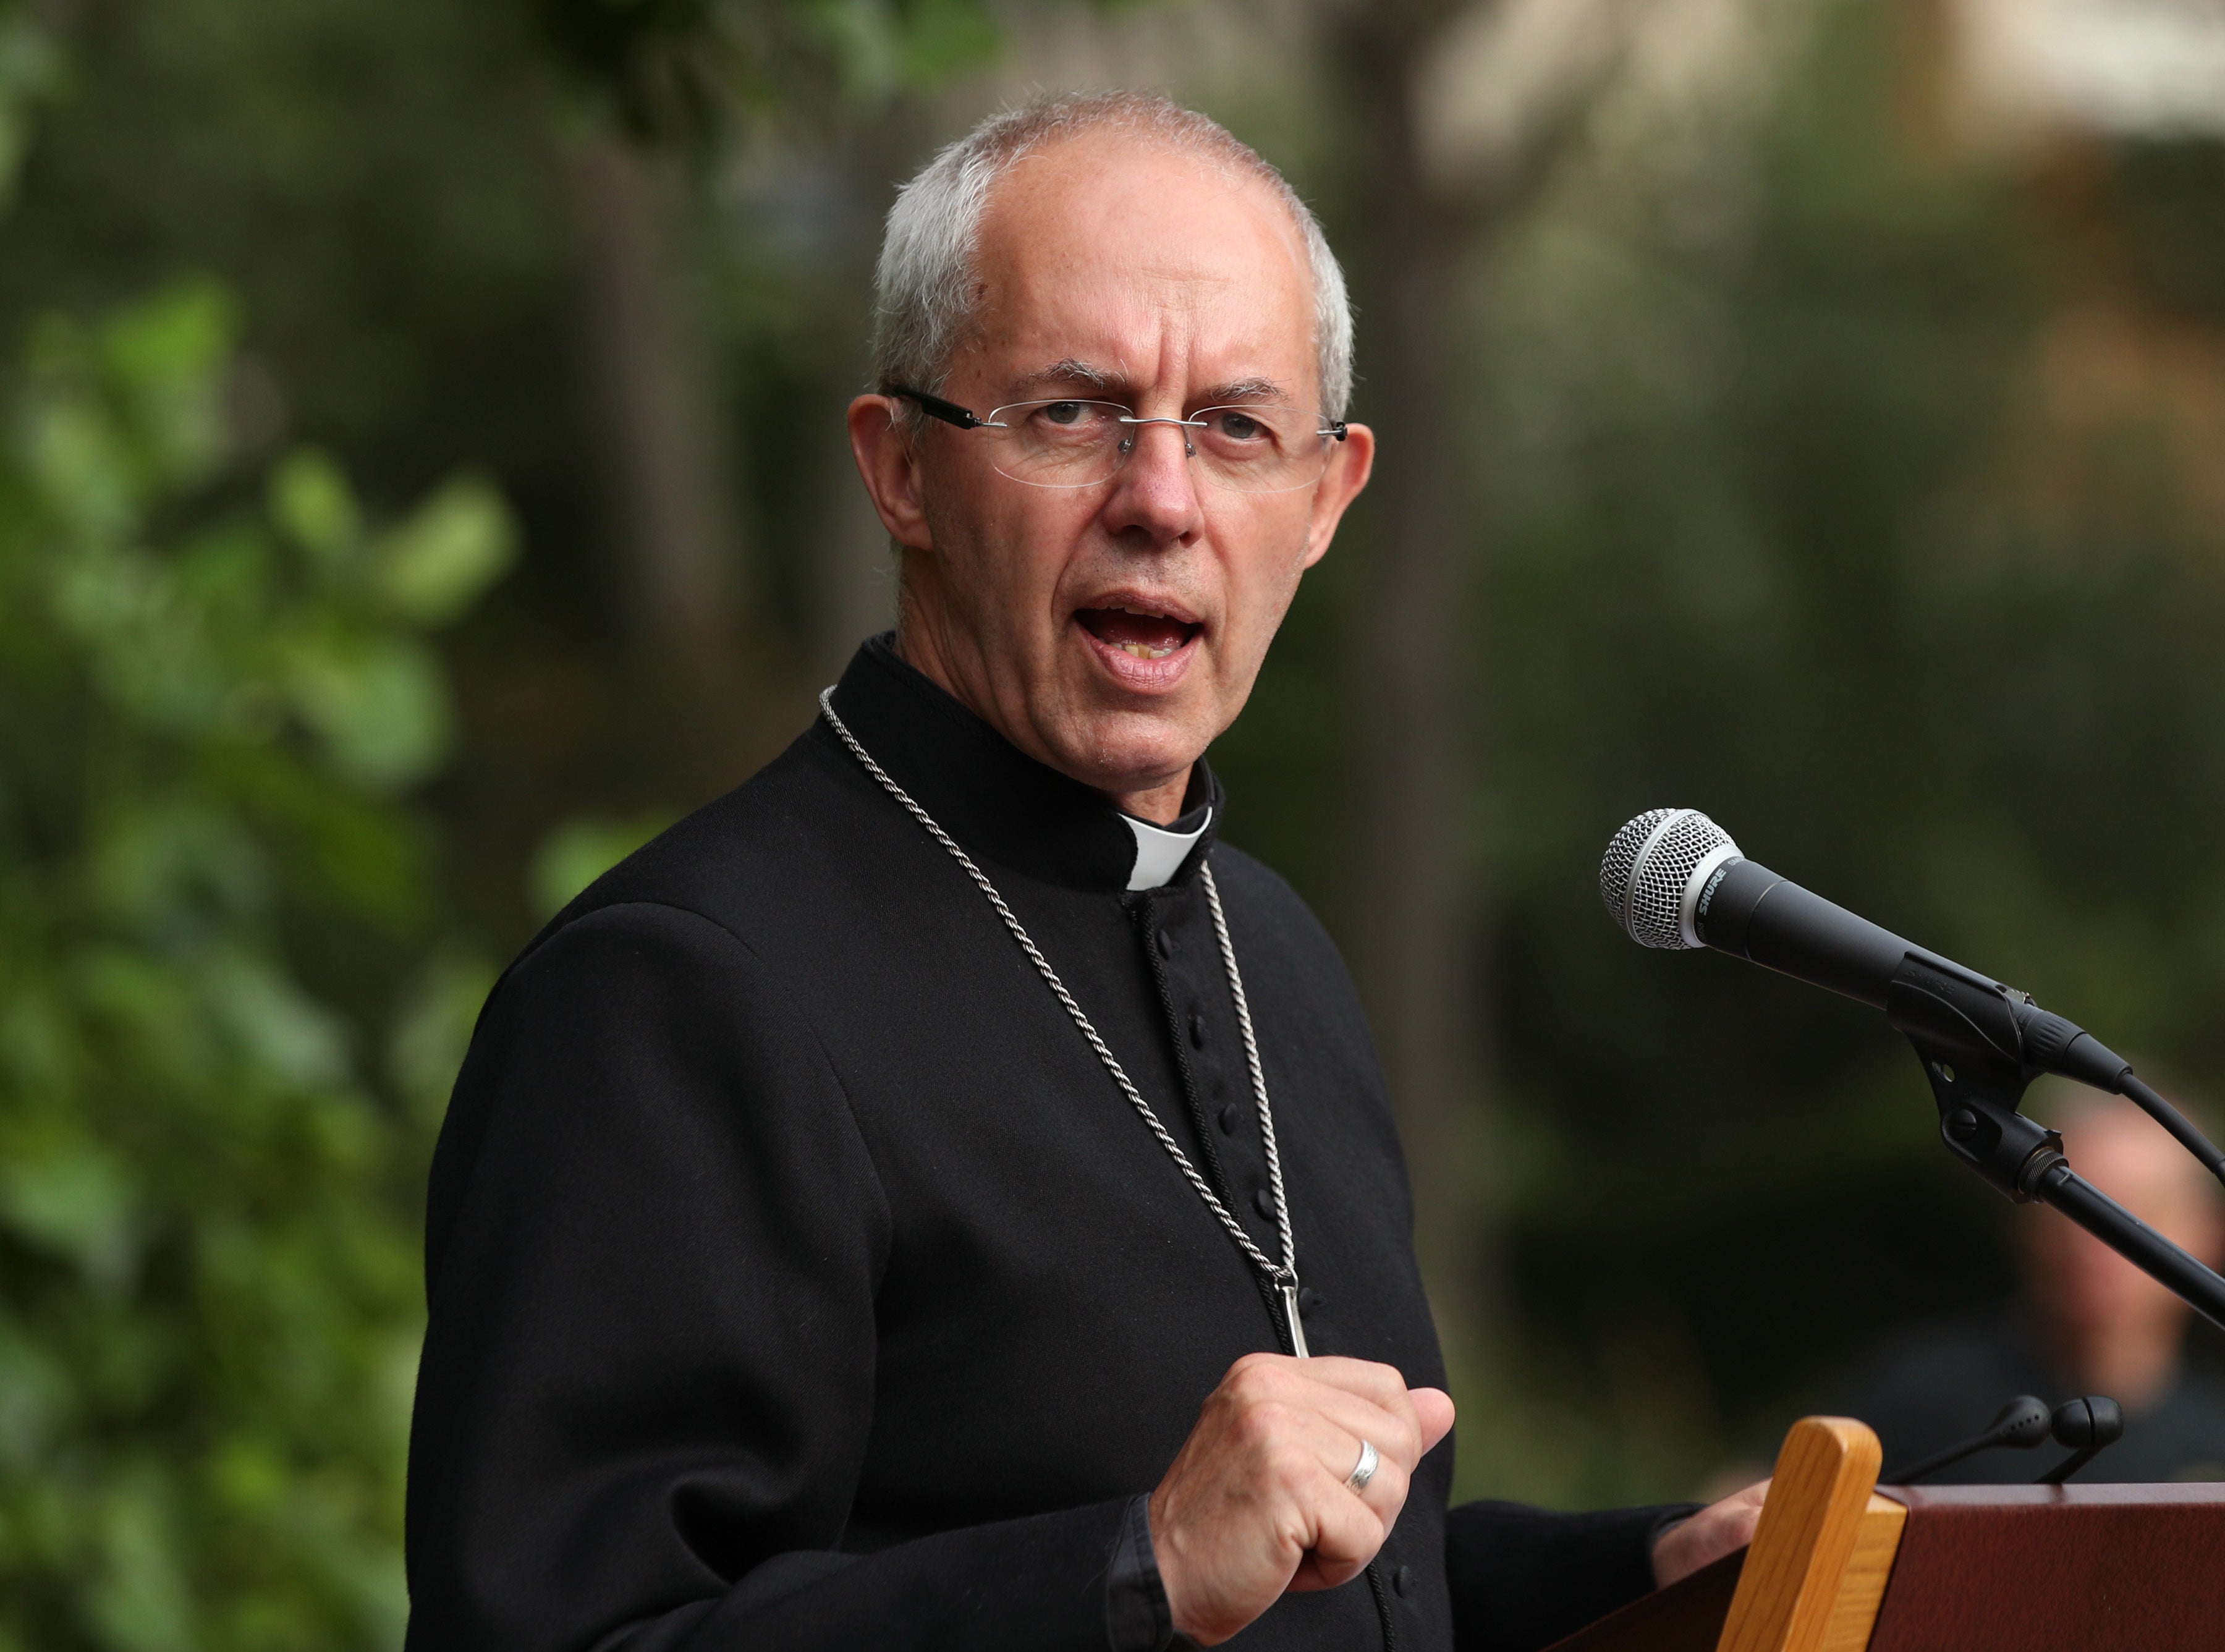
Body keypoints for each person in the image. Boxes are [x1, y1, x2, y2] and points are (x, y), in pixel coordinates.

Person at [402, 91, 1763, 1652]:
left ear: (1325, 499)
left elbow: (1347, 1584)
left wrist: (1656, 1567)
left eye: (1237, 428)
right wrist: (1130, 1568)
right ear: (900, 468)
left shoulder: (1275, 951)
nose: (1163, 499)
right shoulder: (677, 989)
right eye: (1072, 413)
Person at [1837, 1087, 2225, 1483]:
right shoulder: (1915, 1399)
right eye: (2066, 1210)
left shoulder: (2215, 1442)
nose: (2090, 1243)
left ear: (2207, 1233)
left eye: (2137, 1215)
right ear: (2025, 1227)